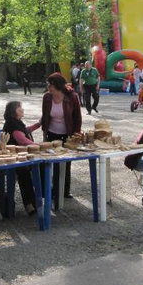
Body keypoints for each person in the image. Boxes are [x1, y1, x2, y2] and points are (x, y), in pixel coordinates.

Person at [41, 72, 82, 201]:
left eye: (51, 84)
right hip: (52, 134)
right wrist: (44, 134)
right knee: (51, 162)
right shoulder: (47, 97)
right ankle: (53, 190)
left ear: (57, 85)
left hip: (67, 134)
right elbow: (45, 116)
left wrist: (76, 135)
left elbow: (77, 117)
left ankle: (65, 190)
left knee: (65, 163)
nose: (48, 86)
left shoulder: (72, 97)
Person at [2, 101, 41, 215]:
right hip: (14, 156)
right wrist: (38, 146)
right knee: (23, 172)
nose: (22, 109)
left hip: (20, 154)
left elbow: (25, 131)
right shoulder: (12, 124)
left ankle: (38, 198)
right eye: (20, 108)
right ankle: (29, 204)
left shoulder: (16, 122)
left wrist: (38, 124)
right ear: (14, 111)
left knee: (41, 166)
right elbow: (22, 140)